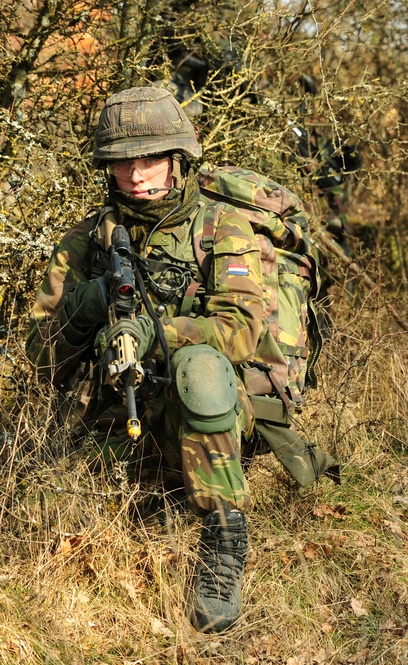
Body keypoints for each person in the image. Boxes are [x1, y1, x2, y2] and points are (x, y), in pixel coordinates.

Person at [26, 86, 263, 632]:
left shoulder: (221, 229)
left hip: (209, 416)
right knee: (41, 503)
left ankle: (225, 537)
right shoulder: (86, 241)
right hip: (112, 414)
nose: (136, 175)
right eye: (122, 162)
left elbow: (241, 330)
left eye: (150, 158)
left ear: (177, 159)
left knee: (202, 370)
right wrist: (89, 305)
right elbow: (41, 357)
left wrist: (156, 335)